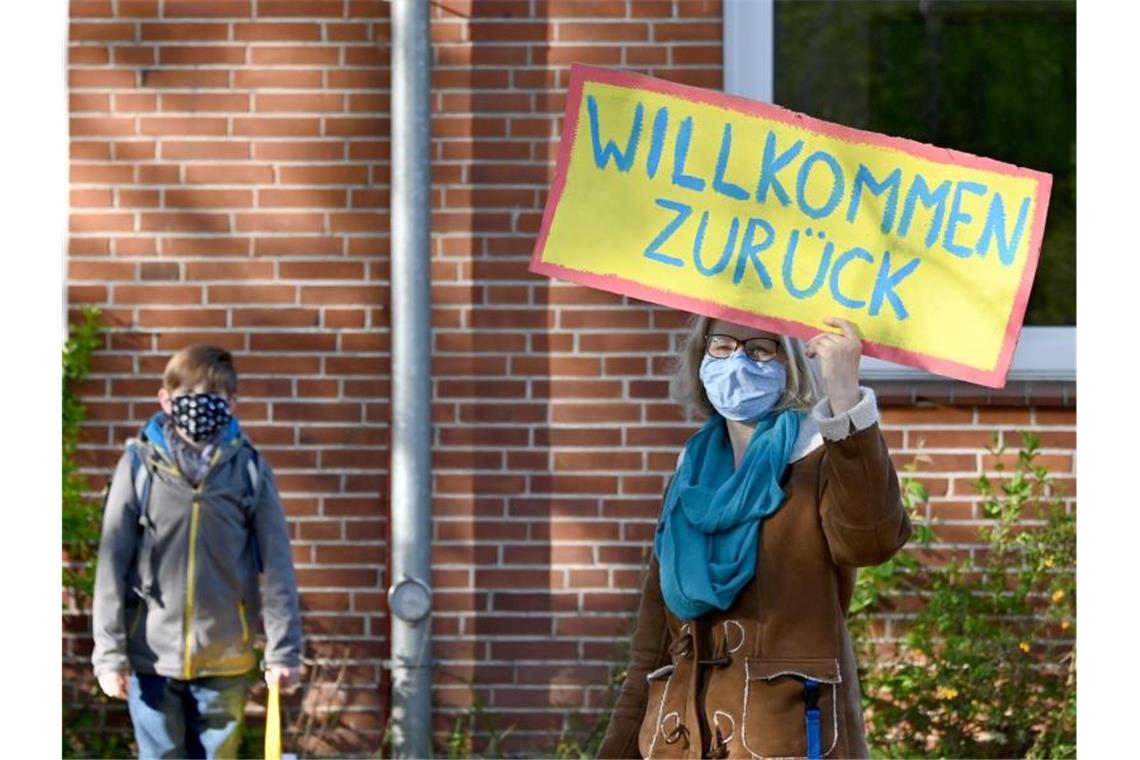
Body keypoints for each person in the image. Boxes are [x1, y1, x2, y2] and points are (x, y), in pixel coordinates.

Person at [596, 315, 912, 759]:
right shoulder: (689, 476)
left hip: (788, 739)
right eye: (721, 346)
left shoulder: (818, 458)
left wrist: (845, 397)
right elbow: (652, 648)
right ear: (700, 358)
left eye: (761, 349)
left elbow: (872, 540)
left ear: (792, 364)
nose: (738, 361)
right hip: (679, 742)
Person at [91, 345, 303, 759]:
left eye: (215, 400)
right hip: (152, 658)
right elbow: (111, 563)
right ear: (165, 400)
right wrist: (110, 654)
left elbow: (277, 565)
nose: (202, 409)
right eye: (190, 397)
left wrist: (283, 650)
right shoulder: (139, 466)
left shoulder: (249, 469)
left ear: (232, 404)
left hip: (224, 659)